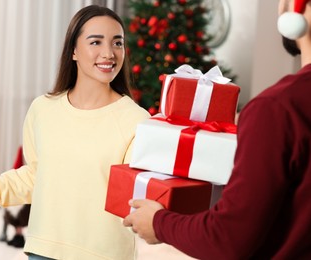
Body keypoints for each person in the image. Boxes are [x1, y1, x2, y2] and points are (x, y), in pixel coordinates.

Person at [0, 5, 150, 260]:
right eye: (95, 42)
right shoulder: (43, 109)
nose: (109, 53)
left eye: (118, 43)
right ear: (73, 50)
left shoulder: (136, 120)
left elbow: (135, 197)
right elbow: (35, 177)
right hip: (44, 250)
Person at [123, 0, 311, 259]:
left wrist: (158, 223)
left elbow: (227, 239)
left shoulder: (278, 108)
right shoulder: (277, 111)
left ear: (298, 8)